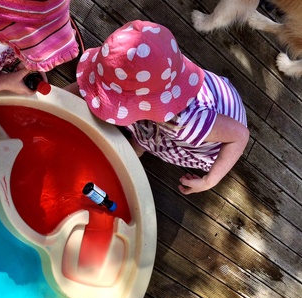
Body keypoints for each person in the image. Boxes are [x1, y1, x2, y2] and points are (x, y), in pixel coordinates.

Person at [65, 20, 249, 195]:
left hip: (215, 138)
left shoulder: (185, 123)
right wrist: (55, 97)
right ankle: (139, 144)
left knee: (159, 134)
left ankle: (139, 146)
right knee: (148, 129)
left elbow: (240, 136)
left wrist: (208, 181)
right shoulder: (157, 59)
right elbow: (88, 87)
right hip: (196, 94)